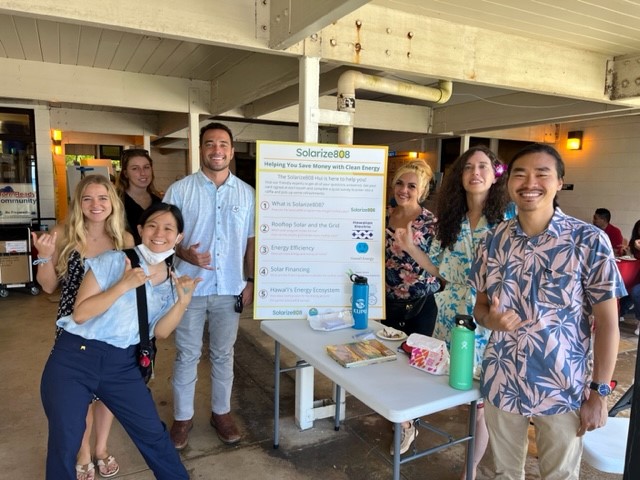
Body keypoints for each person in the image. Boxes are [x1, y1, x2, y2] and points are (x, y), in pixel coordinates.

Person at [469, 143, 625, 480]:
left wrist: (599, 394)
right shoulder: (491, 241)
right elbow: (479, 307)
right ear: (508, 183)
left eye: (542, 174)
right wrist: (489, 319)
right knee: (504, 473)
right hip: (502, 380)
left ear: (559, 183)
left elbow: (609, 324)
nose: (529, 183)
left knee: (559, 475)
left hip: (562, 387)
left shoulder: (589, 241)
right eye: (520, 175)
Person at [40, 202, 198, 480]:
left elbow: (159, 332)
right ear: (140, 230)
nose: (159, 233)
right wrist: (123, 285)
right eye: (152, 225)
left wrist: (182, 303)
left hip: (122, 365)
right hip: (75, 358)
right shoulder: (113, 260)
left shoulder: (173, 282)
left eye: (168, 228)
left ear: (179, 237)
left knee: (153, 435)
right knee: (66, 439)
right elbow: (80, 314)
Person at [33, 174, 134, 480]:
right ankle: (82, 452)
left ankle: (101, 448)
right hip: (73, 328)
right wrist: (44, 258)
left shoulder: (124, 239)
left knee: (106, 395)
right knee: (78, 397)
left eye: (103, 198)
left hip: (113, 329)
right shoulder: (63, 233)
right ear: (79, 203)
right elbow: (48, 286)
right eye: (88, 198)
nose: (96, 205)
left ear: (112, 203)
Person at [163, 122, 255, 450]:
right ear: (201, 149)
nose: (216, 150)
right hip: (189, 287)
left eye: (223, 144)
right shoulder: (179, 191)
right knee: (187, 354)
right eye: (210, 144)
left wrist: (250, 281)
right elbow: (163, 237)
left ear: (231, 150)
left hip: (229, 287)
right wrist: (184, 251)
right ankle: (183, 418)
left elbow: (249, 243)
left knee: (223, 354)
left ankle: (222, 413)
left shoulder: (247, 194)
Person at [429, 145, 511, 480]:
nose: (475, 173)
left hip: (488, 319)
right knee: (450, 389)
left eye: (482, 166)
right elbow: (440, 270)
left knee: (482, 404)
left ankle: (470, 471)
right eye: (468, 168)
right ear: (460, 177)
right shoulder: (451, 221)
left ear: (495, 175)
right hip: (450, 316)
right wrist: (408, 248)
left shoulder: (507, 221)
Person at [384, 159, 440, 455]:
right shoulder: (383, 215)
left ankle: (408, 424)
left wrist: (410, 247)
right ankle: (398, 417)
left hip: (420, 304)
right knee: (388, 364)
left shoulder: (431, 223)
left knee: (414, 367)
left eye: (411, 186)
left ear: (423, 190)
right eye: (400, 184)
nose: (403, 190)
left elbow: (440, 268)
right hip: (387, 304)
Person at [116, 148, 163, 244]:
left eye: (146, 167)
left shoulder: (159, 202)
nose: (142, 173)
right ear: (125, 173)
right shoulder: (116, 202)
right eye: (135, 168)